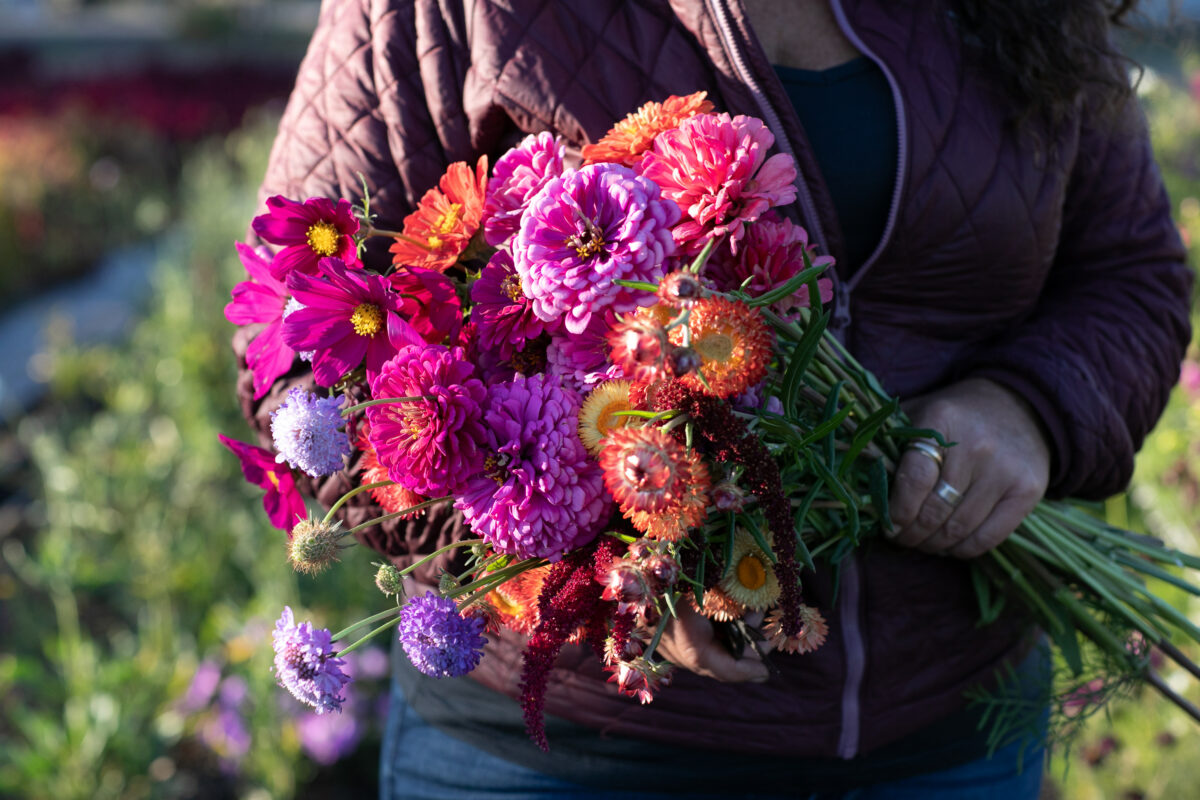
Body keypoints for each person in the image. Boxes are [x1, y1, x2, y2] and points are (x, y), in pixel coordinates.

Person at [234, 0, 1193, 797]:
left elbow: (1129, 270)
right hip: (570, 755)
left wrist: (1031, 406)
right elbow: (296, 346)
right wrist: (595, 578)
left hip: (945, 731)